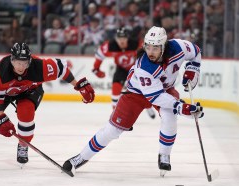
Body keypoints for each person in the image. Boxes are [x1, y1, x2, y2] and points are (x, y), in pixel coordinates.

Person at [62, 26, 204, 176]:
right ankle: (80, 158)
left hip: (164, 89)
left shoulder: (180, 47)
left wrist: (193, 69)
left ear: (164, 46)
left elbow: (196, 52)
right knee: (113, 130)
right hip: (136, 93)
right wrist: (182, 107)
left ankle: (164, 155)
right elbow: (155, 97)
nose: (150, 52)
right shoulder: (145, 66)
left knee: (170, 118)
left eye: (155, 48)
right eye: (148, 47)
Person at [0, 42, 95, 166]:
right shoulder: (0, 72)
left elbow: (61, 68)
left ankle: (23, 146)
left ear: (29, 61)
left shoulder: (39, 67)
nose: (21, 66)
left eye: (24, 62)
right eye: (18, 62)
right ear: (12, 60)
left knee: (26, 112)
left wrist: (78, 85)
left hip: (30, 91)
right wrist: (1, 117)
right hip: (3, 94)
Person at [92, 27, 155, 118]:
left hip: (135, 69)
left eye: (124, 38)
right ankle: (115, 114)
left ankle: (148, 107)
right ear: (116, 39)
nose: (121, 41)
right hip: (121, 69)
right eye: (119, 39)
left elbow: (149, 52)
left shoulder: (136, 43)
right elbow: (99, 54)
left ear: (127, 38)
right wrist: (96, 69)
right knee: (115, 88)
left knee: (143, 89)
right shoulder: (110, 45)